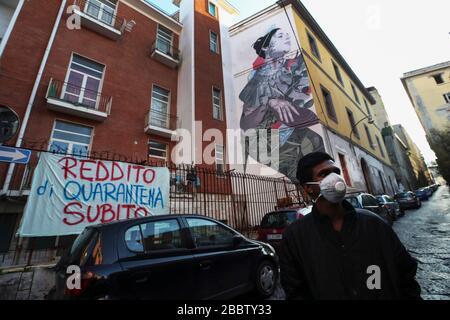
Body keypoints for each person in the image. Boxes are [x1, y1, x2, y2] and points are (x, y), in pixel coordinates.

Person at [279, 152, 422, 300]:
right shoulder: (295, 237)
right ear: (308, 188)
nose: (335, 178)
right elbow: (295, 291)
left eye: (336, 172)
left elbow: (405, 273)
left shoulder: (374, 224)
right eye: (324, 174)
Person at [239, 27, 325, 180]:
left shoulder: (295, 66)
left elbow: (302, 104)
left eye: (287, 35)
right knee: (300, 172)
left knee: (316, 145)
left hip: (292, 133)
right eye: (280, 36)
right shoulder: (255, 77)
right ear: (266, 46)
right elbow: (246, 123)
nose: (286, 37)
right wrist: (269, 102)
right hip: (265, 141)